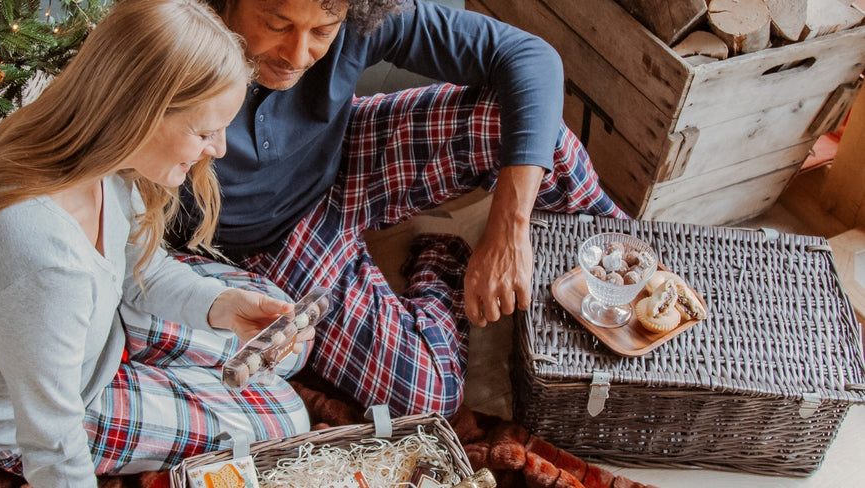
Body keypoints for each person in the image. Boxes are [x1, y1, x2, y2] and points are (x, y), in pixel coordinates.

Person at [0, 0, 312, 485]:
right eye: (206, 131)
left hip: (84, 326)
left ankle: (174, 364)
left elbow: (140, 269)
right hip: (42, 412)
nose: (219, 149)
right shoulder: (44, 265)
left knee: (283, 341)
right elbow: (52, 442)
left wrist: (223, 306)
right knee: (286, 417)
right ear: (139, 114)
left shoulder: (92, 155)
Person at [166, 0, 629, 418]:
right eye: (276, 24)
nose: (296, 55)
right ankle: (441, 258)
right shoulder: (166, 51)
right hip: (272, 239)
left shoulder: (357, 12)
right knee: (431, 395)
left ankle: (633, 273)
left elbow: (531, 57)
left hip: (345, 153)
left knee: (528, 128)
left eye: (323, 32)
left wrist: (510, 226)